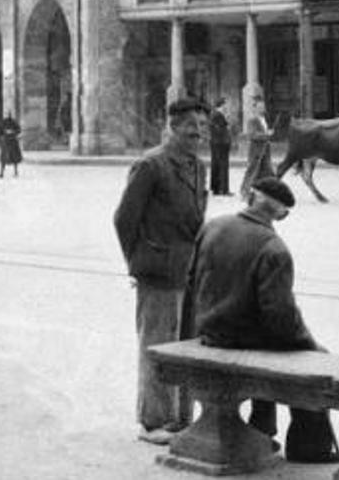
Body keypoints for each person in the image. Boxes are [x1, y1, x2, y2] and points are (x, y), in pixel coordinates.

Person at [184, 177, 338, 463]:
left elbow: (191, 281)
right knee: (313, 361)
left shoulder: (212, 226)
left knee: (273, 347)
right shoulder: (274, 247)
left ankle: (263, 426)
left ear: (250, 198)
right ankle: (309, 447)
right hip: (245, 340)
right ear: (282, 213)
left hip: (210, 331)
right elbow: (280, 316)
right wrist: (309, 344)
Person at [113, 98, 209, 445]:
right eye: (191, 128)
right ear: (172, 127)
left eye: (202, 128)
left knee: (186, 345)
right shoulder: (150, 165)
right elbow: (124, 219)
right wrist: (140, 262)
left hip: (188, 271)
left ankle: (180, 418)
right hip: (158, 273)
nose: (198, 134)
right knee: (157, 344)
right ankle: (153, 421)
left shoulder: (198, 166)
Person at [238, 97, 275, 197]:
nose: (262, 108)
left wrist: (268, 134)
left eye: (263, 107)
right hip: (256, 151)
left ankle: (267, 192)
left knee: (268, 172)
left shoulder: (264, 120)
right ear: (255, 108)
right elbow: (252, 135)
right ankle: (244, 191)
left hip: (266, 150)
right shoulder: (252, 120)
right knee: (252, 172)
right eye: (259, 107)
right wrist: (266, 134)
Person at [207, 98, 232, 196]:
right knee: (222, 166)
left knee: (216, 165)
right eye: (226, 105)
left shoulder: (215, 115)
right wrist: (227, 127)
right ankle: (223, 189)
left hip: (216, 143)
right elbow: (218, 129)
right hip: (220, 143)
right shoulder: (218, 115)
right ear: (222, 105)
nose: (227, 107)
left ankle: (216, 188)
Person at [0, 113, 23, 178]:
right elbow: (0, 132)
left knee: (14, 157)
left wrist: (12, 132)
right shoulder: (3, 123)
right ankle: (2, 173)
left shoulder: (14, 122)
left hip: (12, 141)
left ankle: (16, 172)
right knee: (4, 158)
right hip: (6, 141)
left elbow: (18, 130)